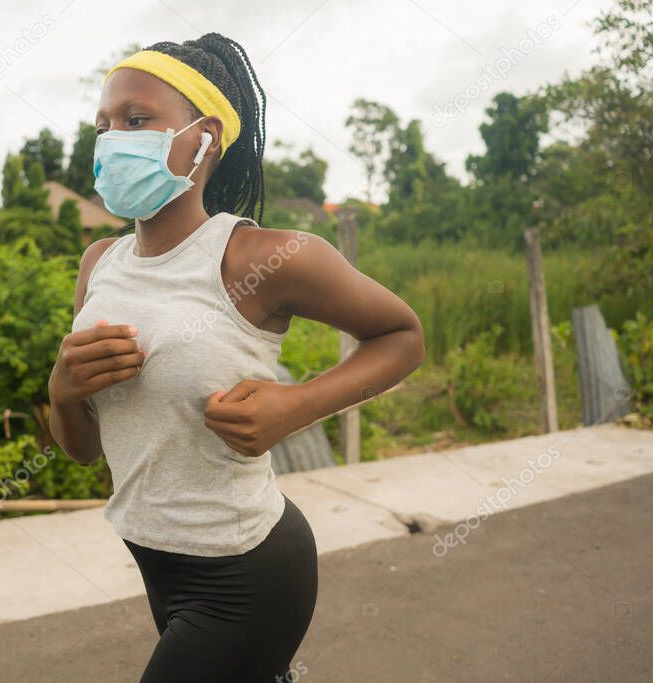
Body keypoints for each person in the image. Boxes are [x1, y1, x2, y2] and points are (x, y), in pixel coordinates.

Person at [48, 32, 425, 683]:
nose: (113, 138)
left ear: (205, 136)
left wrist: (297, 404)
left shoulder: (259, 259)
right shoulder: (98, 266)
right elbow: (84, 452)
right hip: (154, 563)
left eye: (137, 120)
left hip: (247, 570)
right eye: (104, 124)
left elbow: (403, 335)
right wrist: (62, 391)